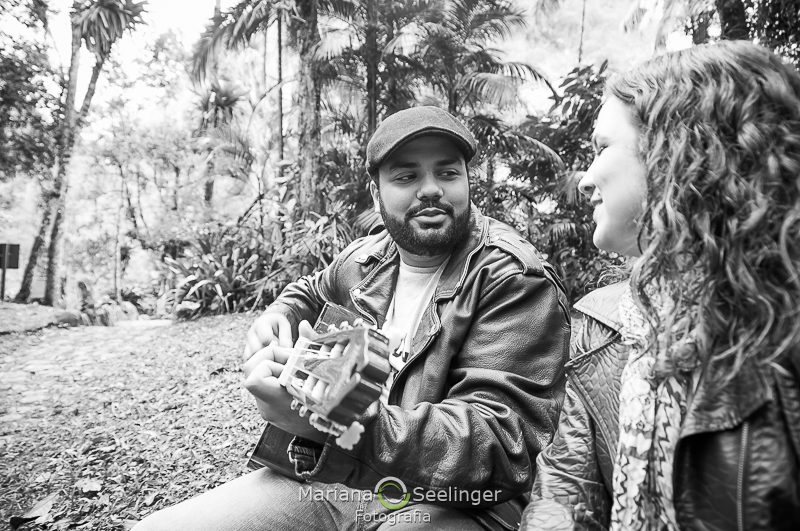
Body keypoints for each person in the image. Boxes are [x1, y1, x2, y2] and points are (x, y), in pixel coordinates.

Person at [135, 106, 570, 531]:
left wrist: (334, 421)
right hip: (346, 479)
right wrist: (278, 312)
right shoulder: (367, 258)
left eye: (448, 172)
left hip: (464, 502)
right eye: (407, 176)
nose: (431, 188)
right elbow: (310, 289)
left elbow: (497, 445)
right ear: (376, 189)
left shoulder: (514, 278)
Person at [520, 41, 800, 531]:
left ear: (677, 152)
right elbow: (563, 492)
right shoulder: (605, 326)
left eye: (602, 148)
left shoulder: (782, 335)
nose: (585, 180)